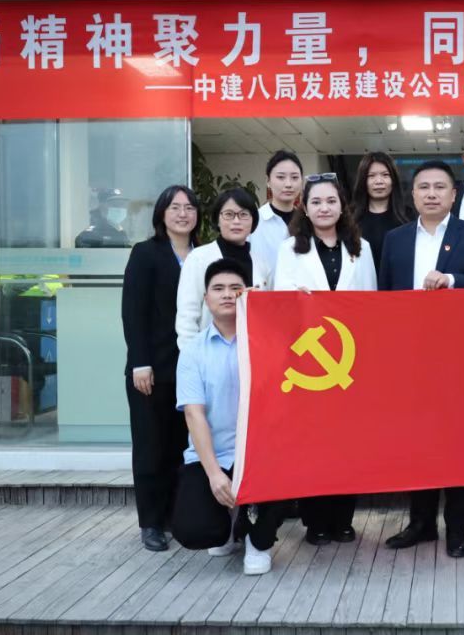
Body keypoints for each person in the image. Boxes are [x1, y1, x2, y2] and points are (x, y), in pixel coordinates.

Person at [379, 160, 464, 558]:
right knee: (417, 444)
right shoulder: (395, 240)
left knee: (460, 444)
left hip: (462, 360)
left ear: (454, 194)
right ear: (412, 195)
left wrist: (452, 281)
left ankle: (457, 528)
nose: (431, 194)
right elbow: (384, 299)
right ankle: (421, 523)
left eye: (439, 187)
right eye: (423, 187)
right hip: (411, 360)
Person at [274, 173, 377, 545]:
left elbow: (371, 300)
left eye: (331, 201)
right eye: (316, 201)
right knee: (312, 442)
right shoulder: (289, 249)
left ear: (342, 205)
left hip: (350, 358)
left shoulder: (361, 247)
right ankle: (315, 521)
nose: (324, 208)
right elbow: (279, 299)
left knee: (348, 442)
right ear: (305, 207)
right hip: (309, 362)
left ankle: (343, 519)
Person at [171, 258, 281, 575]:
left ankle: (258, 541)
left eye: (235, 288)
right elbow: (194, 414)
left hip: (262, 454)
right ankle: (231, 523)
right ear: (206, 298)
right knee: (195, 530)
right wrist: (214, 474)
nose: (227, 294)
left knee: (285, 472)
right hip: (214, 455)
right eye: (218, 288)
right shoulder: (193, 351)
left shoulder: (269, 342)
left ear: (247, 293)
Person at [121, 185, 199, 552]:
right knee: (151, 446)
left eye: (189, 207)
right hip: (152, 369)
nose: (183, 214)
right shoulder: (145, 253)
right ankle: (150, 522)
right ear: (162, 214)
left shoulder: (202, 255)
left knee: (180, 447)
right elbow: (133, 312)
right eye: (175, 207)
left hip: (192, 369)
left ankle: (173, 516)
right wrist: (140, 361)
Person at [176, 188, 270, 350]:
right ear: (217, 220)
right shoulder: (199, 258)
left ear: (253, 221)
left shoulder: (262, 263)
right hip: (209, 351)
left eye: (243, 215)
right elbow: (187, 316)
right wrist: (191, 354)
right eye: (229, 214)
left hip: (252, 351)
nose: (236, 221)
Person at [249, 150, 303, 282]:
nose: (288, 184)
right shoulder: (254, 222)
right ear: (268, 181)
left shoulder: (308, 222)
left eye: (295, 177)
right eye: (281, 177)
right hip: (264, 293)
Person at [352, 151, 410, 273]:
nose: (379, 181)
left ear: (393, 179)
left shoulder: (408, 215)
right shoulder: (350, 217)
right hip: (361, 283)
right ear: (363, 180)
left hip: (397, 282)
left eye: (385, 175)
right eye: (371, 176)